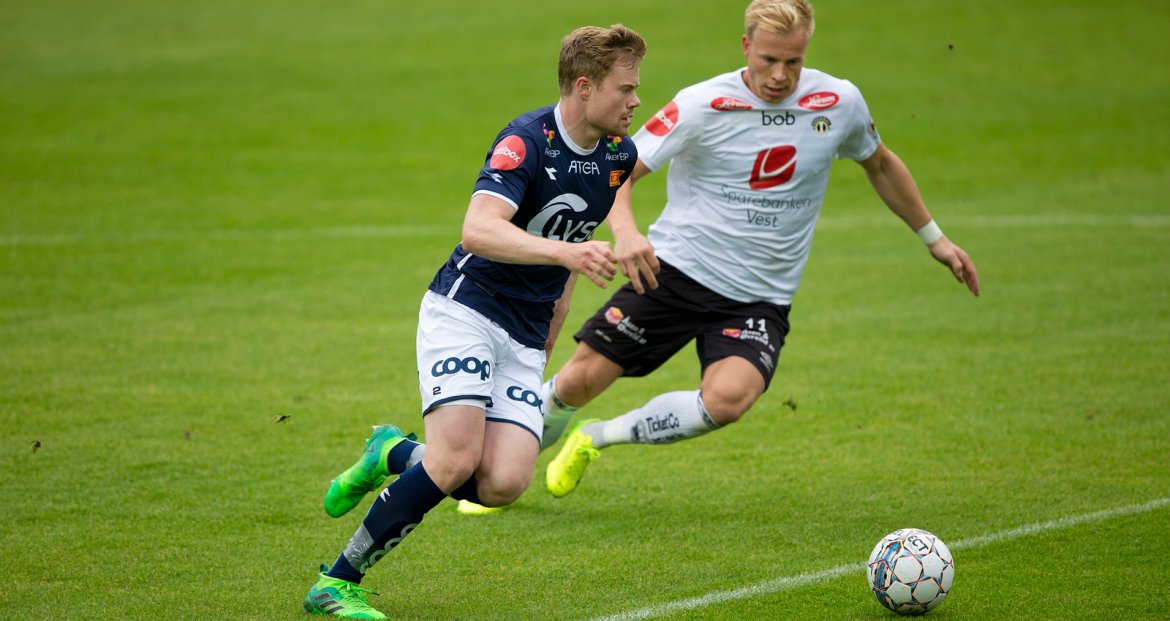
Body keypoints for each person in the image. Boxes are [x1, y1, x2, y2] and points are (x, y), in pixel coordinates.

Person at [541, 0, 980, 499]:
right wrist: (625, 232)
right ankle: (495, 478)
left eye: (793, 61)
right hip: (677, 270)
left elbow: (879, 164)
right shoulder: (702, 103)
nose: (779, 75)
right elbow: (617, 172)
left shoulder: (839, 102)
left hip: (760, 295)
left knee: (728, 400)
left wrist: (935, 239)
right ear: (746, 47)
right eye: (768, 59)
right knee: (577, 384)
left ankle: (596, 437)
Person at [302, 24, 646, 619]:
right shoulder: (525, 141)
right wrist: (567, 254)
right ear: (585, 87)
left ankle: (392, 452)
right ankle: (336, 581)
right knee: (456, 459)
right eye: (626, 88)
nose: (636, 100)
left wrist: (549, 333)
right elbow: (479, 230)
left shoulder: (618, 157)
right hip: (467, 308)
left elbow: (574, 247)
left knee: (503, 484)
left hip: (525, 332)